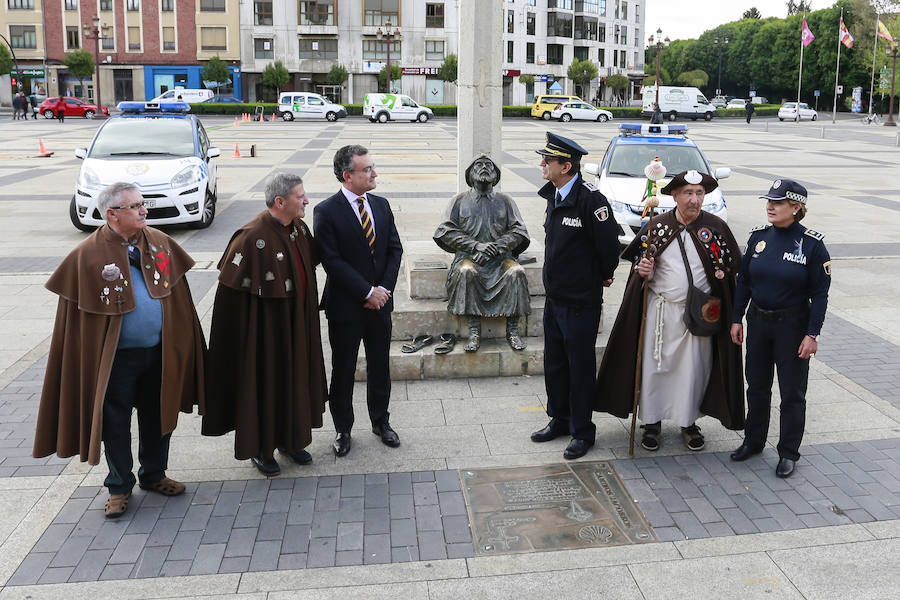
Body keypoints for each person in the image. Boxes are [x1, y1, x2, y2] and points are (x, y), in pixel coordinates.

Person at [33, 182, 206, 518]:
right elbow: (75, 324)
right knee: (115, 423)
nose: (144, 210)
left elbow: (179, 297)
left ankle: (154, 474)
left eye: (144, 204)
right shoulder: (86, 255)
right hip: (115, 360)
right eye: (135, 206)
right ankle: (119, 486)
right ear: (112, 214)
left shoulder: (160, 243)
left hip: (158, 352)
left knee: (159, 415)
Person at [596, 170, 745, 451]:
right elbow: (638, 268)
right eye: (688, 193)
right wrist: (643, 271)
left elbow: (730, 269)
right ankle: (651, 423)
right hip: (660, 312)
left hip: (699, 316)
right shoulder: (657, 227)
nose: (694, 199)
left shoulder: (715, 229)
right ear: (674, 196)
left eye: (699, 193)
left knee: (693, 370)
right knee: (655, 368)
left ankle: (689, 423)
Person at [202, 174, 328, 476]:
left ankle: (291, 440)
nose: (307, 201)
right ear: (280, 201)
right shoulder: (249, 238)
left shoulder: (298, 229)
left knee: (295, 380)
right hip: (265, 338)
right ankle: (262, 448)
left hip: (297, 329)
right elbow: (228, 304)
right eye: (300, 196)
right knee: (267, 385)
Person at [730, 179, 830, 478]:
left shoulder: (812, 245)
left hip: (793, 327)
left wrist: (812, 334)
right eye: (768, 201)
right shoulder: (759, 238)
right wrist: (737, 318)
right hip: (758, 323)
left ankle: (788, 452)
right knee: (757, 386)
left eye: (778, 202)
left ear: (796, 207)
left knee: (792, 394)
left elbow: (821, 294)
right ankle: (753, 440)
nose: (769, 206)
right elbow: (744, 281)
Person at [530, 133, 620, 460]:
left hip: (581, 301)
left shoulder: (591, 200)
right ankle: (560, 418)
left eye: (547, 160)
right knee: (554, 363)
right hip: (555, 298)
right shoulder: (553, 195)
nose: (542, 163)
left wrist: (602, 275)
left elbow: (610, 245)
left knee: (579, 367)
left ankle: (582, 431)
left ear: (565, 166)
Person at [314, 145, 403, 457]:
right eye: (367, 170)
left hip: (380, 305)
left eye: (373, 168)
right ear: (347, 175)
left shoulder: (381, 205)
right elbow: (332, 261)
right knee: (343, 369)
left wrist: (383, 291)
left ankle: (381, 422)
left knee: (380, 367)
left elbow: (395, 250)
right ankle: (343, 428)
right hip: (347, 308)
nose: (374, 174)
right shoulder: (326, 211)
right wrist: (367, 292)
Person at [433, 154, 531, 352]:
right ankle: (474, 332)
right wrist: (476, 246)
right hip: (469, 258)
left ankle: (512, 332)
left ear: (496, 176)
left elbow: (519, 231)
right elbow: (444, 231)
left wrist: (497, 247)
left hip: (501, 259)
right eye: (479, 165)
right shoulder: (459, 201)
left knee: (517, 273)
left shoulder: (506, 201)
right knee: (467, 272)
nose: (484, 167)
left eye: (489, 166)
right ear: (470, 175)